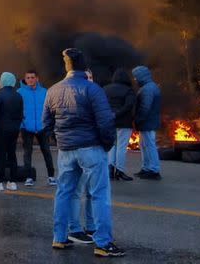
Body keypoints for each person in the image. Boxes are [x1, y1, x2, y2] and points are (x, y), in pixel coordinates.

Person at [43, 49, 123, 258]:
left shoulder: (52, 90)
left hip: (66, 150)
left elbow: (47, 124)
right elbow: (106, 122)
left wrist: (60, 141)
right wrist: (106, 145)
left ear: (67, 66)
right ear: (83, 66)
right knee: (99, 195)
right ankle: (103, 243)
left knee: (64, 193)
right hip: (91, 148)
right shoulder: (93, 89)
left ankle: (59, 238)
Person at [0, 72, 24, 192]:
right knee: (12, 155)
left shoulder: (0, 95)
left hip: (2, 130)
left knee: (1, 156)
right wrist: (16, 127)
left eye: (0, 80)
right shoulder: (18, 95)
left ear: (4, 81)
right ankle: (12, 182)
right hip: (14, 130)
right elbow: (21, 115)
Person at [18, 70, 56, 187]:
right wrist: (21, 126)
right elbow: (17, 111)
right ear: (25, 79)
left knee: (47, 152)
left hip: (42, 128)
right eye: (28, 78)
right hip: (26, 128)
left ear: (37, 79)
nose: (30, 80)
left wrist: (48, 125)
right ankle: (28, 178)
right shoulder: (20, 92)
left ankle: (51, 177)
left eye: (32, 77)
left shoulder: (44, 92)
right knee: (27, 153)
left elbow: (49, 110)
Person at [104, 69, 136, 181]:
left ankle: (110, 170)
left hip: (109, 122)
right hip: (124, 123)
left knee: (112, 146)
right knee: (121, 147)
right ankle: (120, 171)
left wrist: (110, 115)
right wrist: (117, 114)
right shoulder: (129, 91)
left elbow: (101, 104)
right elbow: (129, 106)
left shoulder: (106, 89)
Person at [133, 66, 162, 180]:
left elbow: (145, 107)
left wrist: (138, 119)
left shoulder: (147, 89)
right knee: (144, 145)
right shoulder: (150, 87)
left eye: (136, 77)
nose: (135, 80)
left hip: (147, 122)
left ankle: (154, 170)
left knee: (149, 146)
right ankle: (146, 168)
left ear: (141, 76)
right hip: (148, 122)